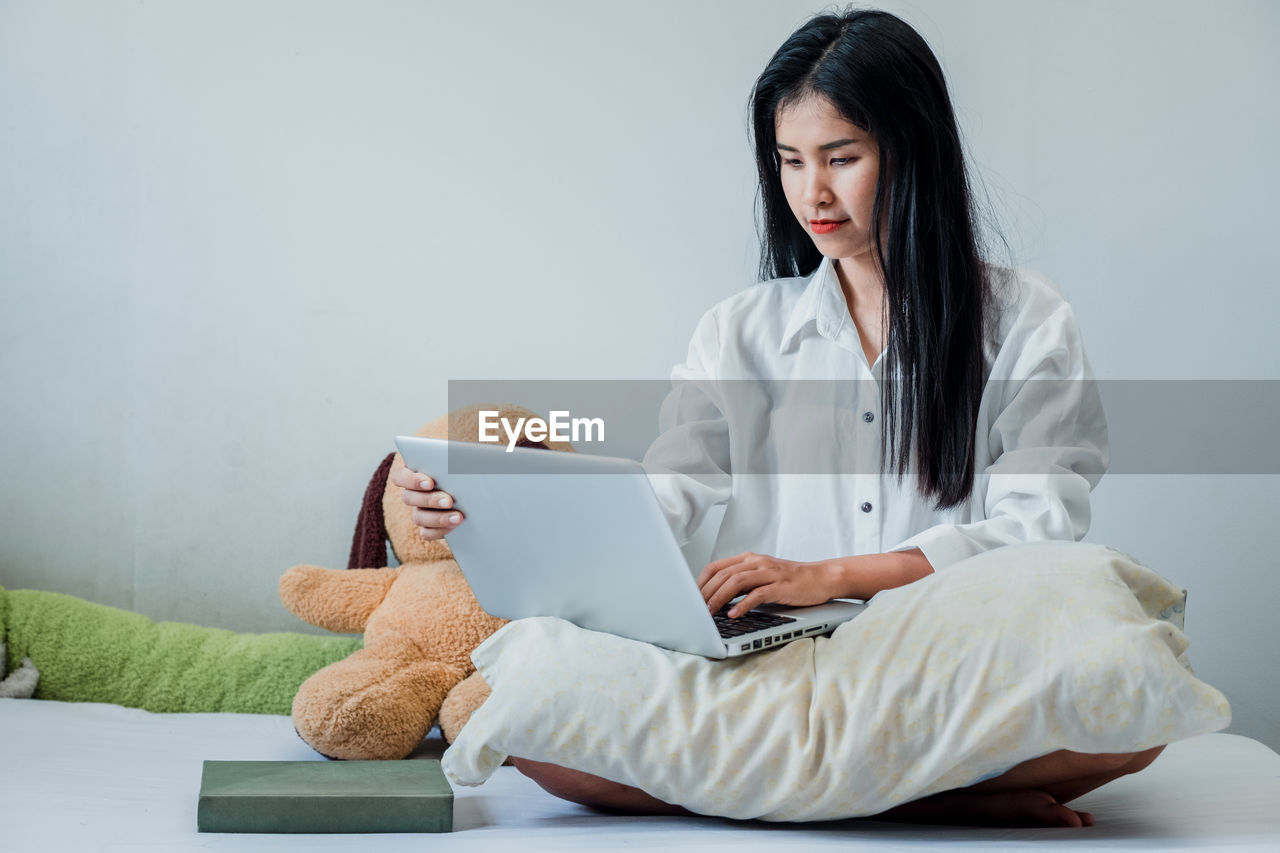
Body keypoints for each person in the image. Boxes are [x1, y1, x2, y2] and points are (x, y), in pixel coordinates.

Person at [392, 7, 1161, 828]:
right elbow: (662, 498)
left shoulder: (1026, 318)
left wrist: (830, 577)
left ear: (914, 150)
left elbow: (1039, 529)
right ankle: (935, 797)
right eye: (790, 161)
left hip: (951, 667)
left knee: (1137, 697)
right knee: (536, 725)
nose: (811, 193)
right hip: (769, 669)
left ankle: (784, 787)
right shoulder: (739, 330)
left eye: (841, 157)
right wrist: (490, 497)